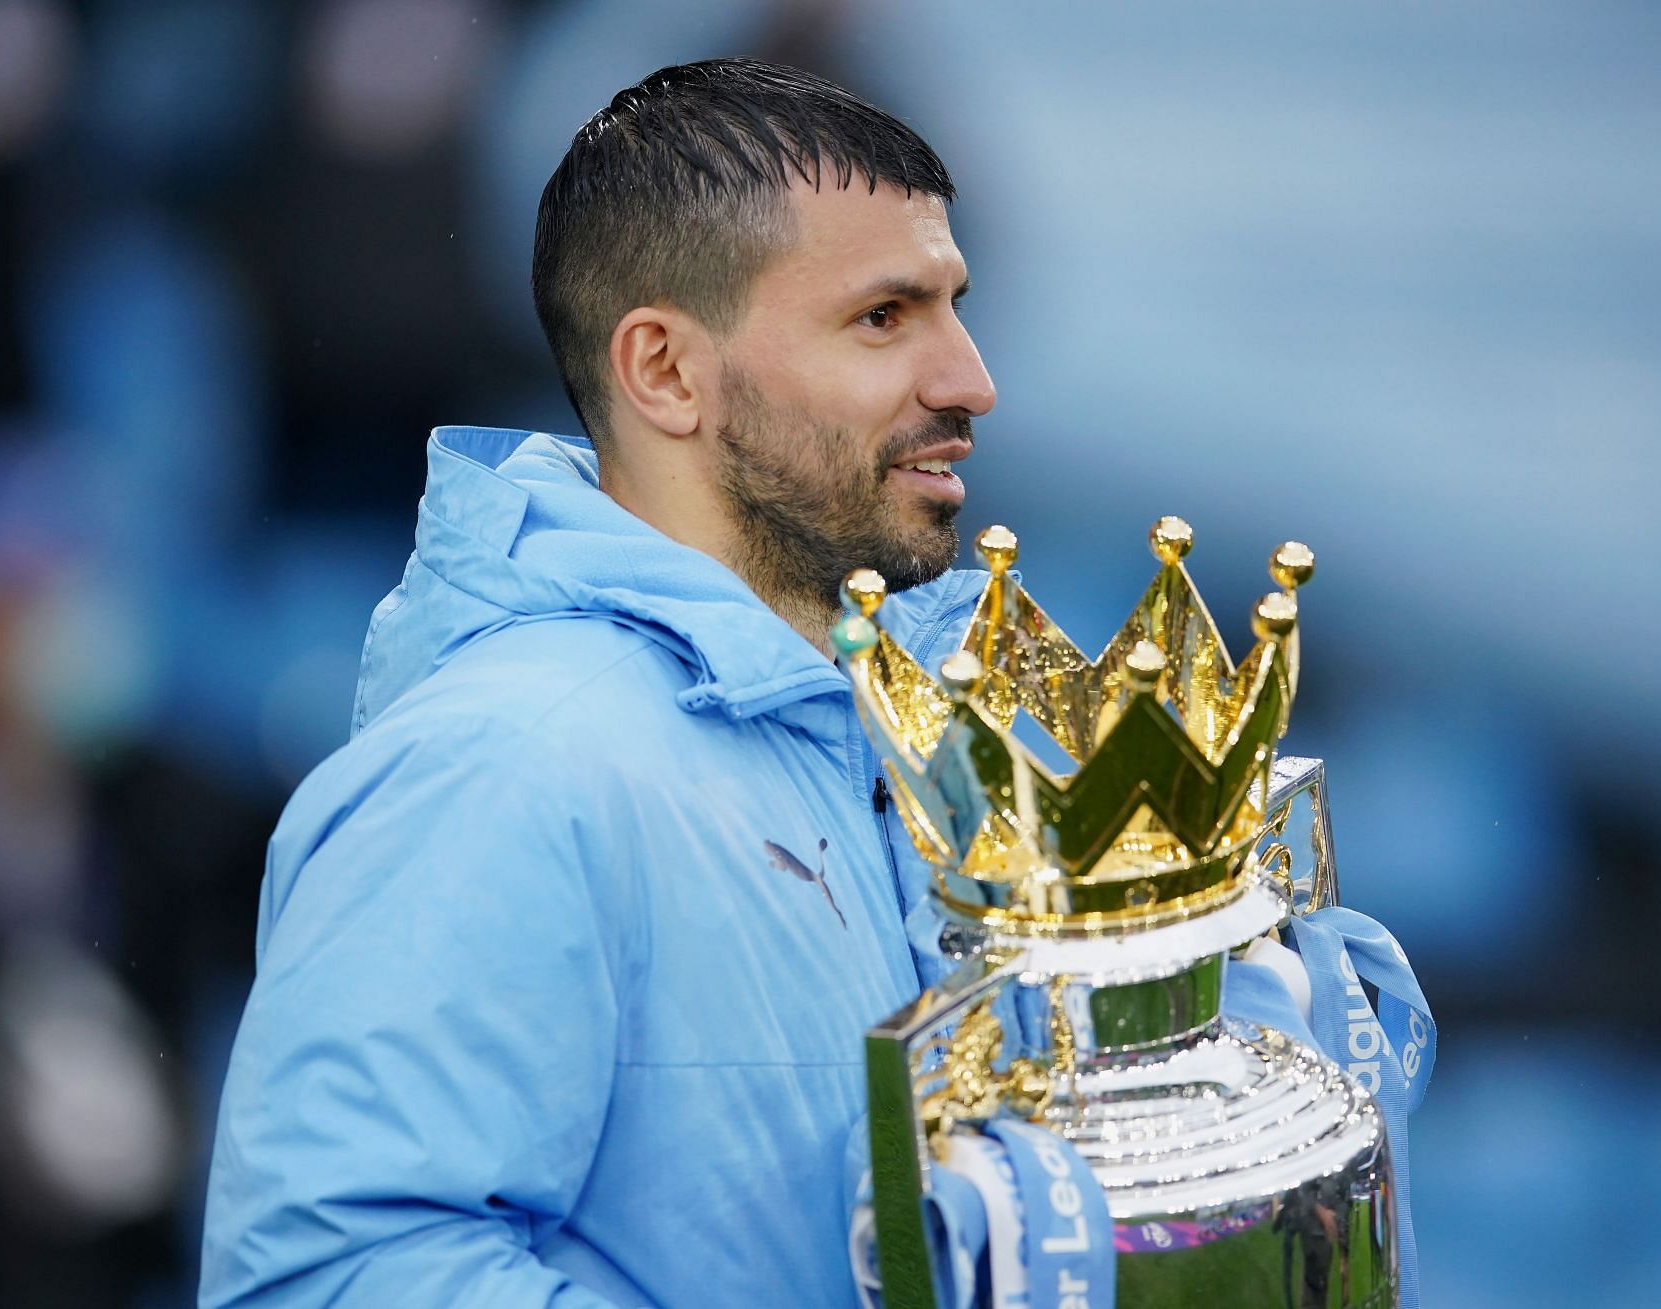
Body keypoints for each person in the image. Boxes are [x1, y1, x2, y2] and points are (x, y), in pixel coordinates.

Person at [201, 58, 1417, 1308]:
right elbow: (329, 1276)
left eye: (956, 304)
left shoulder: (914, 733)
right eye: (885, 317)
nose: (970, 381)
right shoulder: (501, 766)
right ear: (666, 371)